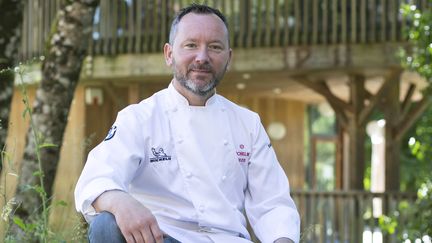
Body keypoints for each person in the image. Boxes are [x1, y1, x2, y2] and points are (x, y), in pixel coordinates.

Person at [75, 4, 300, 243]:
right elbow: (96, 178)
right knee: (106, 226)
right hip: (163, 237)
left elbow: (273, 203)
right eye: (191, 45)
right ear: (169, 54)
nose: (202, 57)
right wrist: (120, 202)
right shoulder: (139, 118)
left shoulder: (248, 124)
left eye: (214, 47)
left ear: (229, 58)